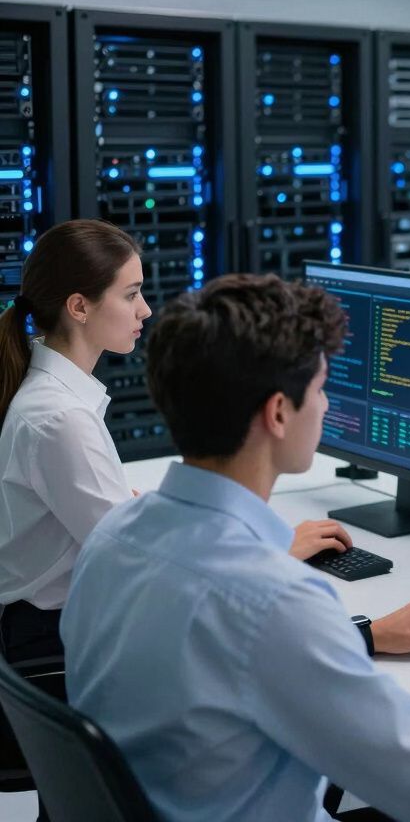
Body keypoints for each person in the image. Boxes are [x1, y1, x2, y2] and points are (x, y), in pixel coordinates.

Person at [61, 273, 410, 822]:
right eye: (319, 389)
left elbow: (211, 666)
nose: (327, 406)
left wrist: (361, 637)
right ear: (278, 413)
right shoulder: (274, 601)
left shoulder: (114, 536)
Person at [0, 220, 347, 665]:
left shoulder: (53, 397)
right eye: (130, 295)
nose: (145, 310)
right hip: (58, 644)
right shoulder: (59, 418)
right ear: (79, 307)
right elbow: (147, 565)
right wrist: (276, 550)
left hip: (57, 626)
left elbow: (116, 531)